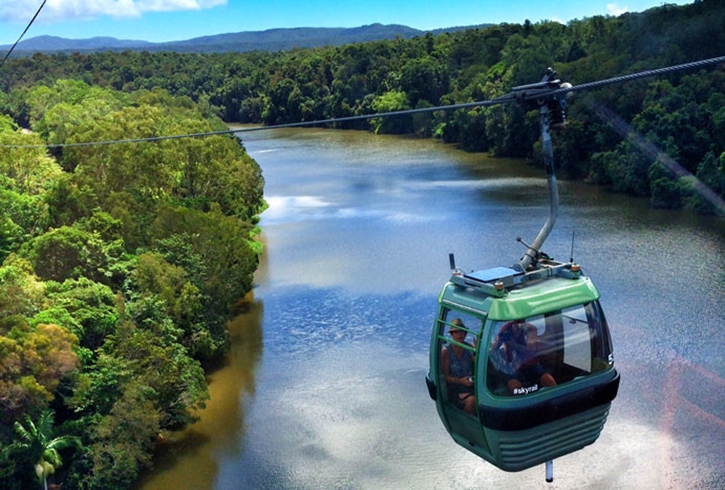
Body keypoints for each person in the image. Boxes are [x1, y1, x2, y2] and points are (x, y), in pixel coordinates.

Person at [490, 318, 556, 395]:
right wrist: (499, 339)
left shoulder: (530, 329)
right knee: (513, 384)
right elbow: (494, 348)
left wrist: (515, 346)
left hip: (530, 364)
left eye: (519, 321)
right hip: (513, 366)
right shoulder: (506, 328)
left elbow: (530, 350)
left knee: (547, 379)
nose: (516, 323)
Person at [441, 318, 476, 415]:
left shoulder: (469, 347)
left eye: (462, 332)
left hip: (471, 386)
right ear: (452, 335)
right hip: (455, 388)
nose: (460, 335)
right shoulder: (446, 351)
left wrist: (476, 352)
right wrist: (460, 381)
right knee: (472, 401)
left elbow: (478, 367)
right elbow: (444, 377)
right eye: (456, 332)